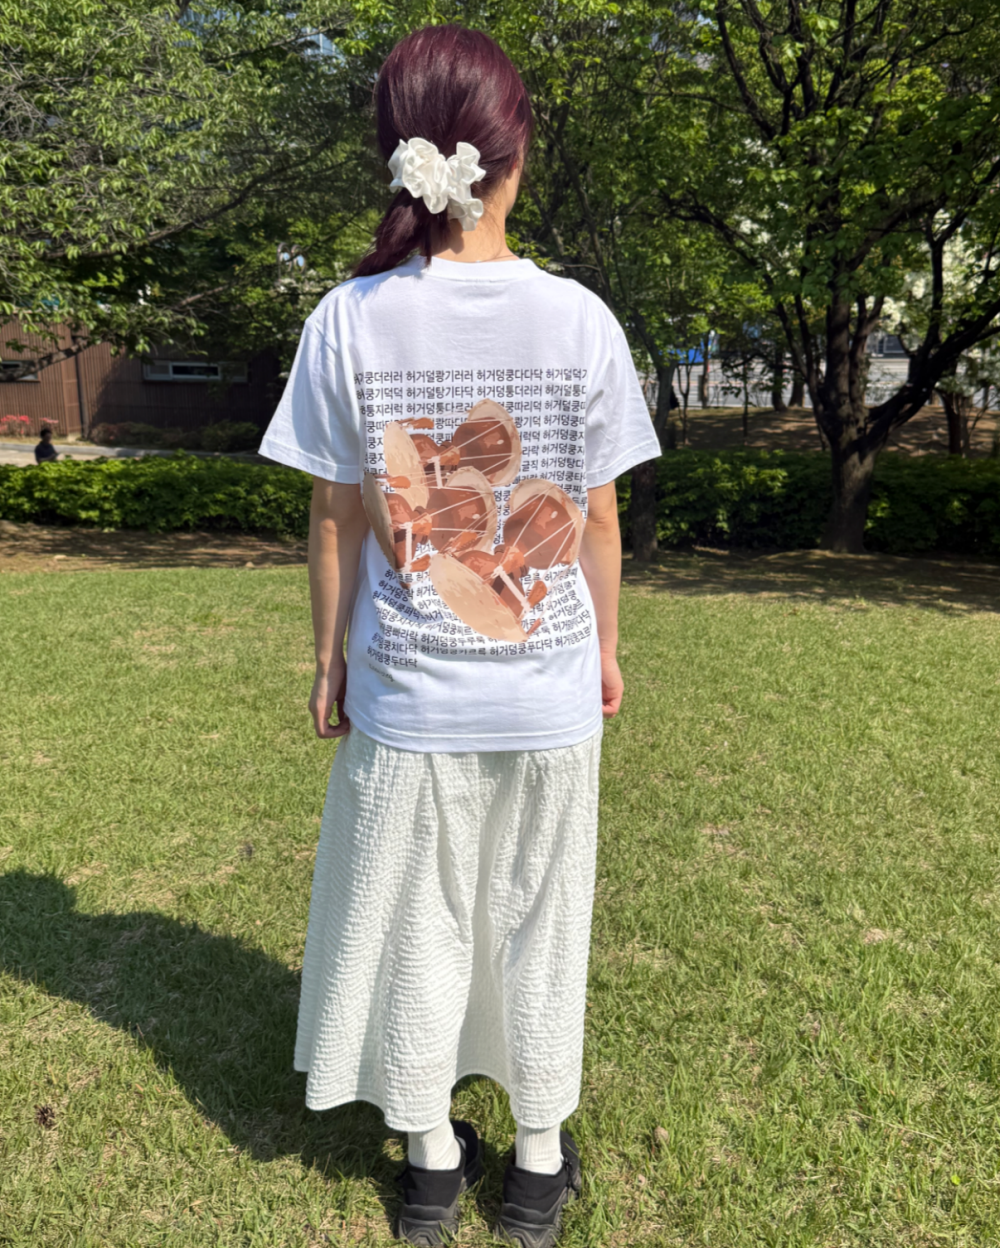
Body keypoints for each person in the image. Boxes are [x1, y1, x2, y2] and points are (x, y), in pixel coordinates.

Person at [260, 24, 660, 1247]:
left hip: (408, 701)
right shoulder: (580, 320)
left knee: (422, 928)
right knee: (542, 920)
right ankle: (536, 1167)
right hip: (545, 696)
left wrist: (326, 662)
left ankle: (432, 1162)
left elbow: (334, 518)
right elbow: (599, 521)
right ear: (514, 153)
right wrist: (602, 652)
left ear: (397, 156)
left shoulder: (347, 319)